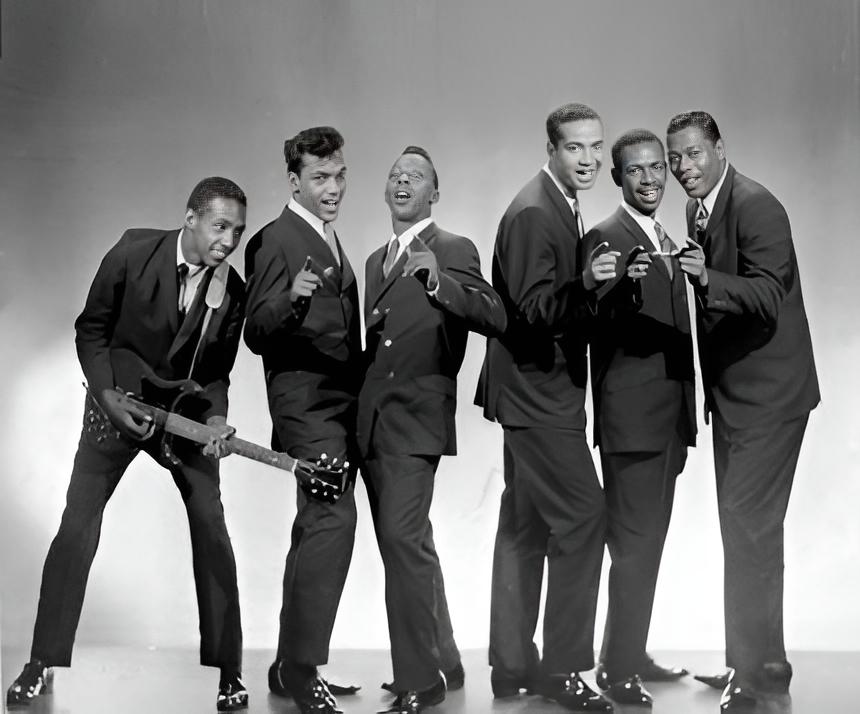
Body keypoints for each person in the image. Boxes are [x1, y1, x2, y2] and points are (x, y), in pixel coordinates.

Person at [5, 177, 250, 712]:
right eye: (219, 226)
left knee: (212, 527)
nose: (228, 241)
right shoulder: (131, 252)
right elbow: (90, 330)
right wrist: (105, 395)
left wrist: (220, 421)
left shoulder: (232, 292)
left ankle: (231, 671)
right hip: (114, 409)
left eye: (236, 230)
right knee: (77, 527)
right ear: (190, 218)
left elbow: (216, 375)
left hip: (181, 419)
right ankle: (40, 661)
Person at [665, 111, 820, 712]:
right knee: (744, 530)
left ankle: (754, 677)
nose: (683, 168)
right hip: (734, 399)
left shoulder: (758, 206)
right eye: (677, 158)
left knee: (748, 526)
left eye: (694, 154)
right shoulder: (696, 209)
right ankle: (759, 663)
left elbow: (767, 294)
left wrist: (707, 279)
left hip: (771, 399)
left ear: (720, 149)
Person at [475, 102, 617, 712]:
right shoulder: (537, 211)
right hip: (537, 393)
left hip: (532, 390)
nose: (587, 160)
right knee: (584, 519)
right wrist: (588, 285)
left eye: (594, 147)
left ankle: (511, 664)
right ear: (552, 149)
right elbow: (533, 311)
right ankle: (562, 671)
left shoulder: (556, 202)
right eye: (575, 148)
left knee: (524, 524)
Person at [358, 145, 506, 714]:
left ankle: (421, 678)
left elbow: (493, 315)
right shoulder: (375, 261)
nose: (402, 181)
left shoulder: (452, 248)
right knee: (410, 541)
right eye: (395, 174)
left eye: (415, 177)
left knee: (402, 543)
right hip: (372, 422)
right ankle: (444, 658)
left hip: (416, 418)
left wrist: (440, 282)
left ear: (433, 194)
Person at [243, 126, 362, 714]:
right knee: (333, 525)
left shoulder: (331, 239)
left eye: (339, 175)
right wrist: (291, 298)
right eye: (320, 178)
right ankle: (302, 665)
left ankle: (288, 665)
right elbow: (255, 332)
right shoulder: (274, 240)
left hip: (342, 411)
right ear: (295, 181)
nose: (333, 187)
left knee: (314, 530)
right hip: (306, 410)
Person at [583, 129, 697, 707]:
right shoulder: (606, 238)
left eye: (658, 168)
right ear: (618, 178)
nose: (651, 179)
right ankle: (617, 668)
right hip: (633, 424)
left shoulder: (667, 237)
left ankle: (628, 651)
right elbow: (596, 314)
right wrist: (619, 291)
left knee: (647, 546)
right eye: (637, 171)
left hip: (668, 420)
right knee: (632, 547)